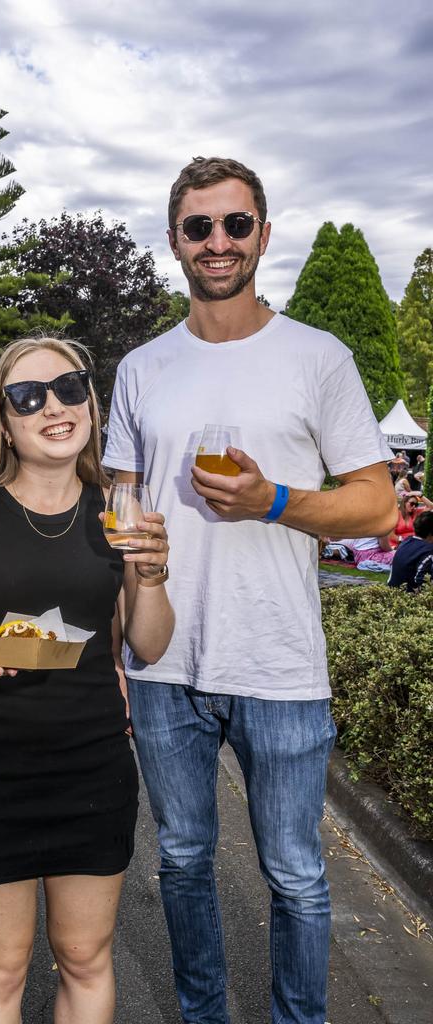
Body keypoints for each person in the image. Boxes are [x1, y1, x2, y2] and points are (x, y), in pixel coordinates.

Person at [104, 156, 397, 1024]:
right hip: (164, 662)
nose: (218, 242)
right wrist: (122, 616)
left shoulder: (318, 356)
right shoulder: (143, 367)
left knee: (297, 874)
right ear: (175, 243)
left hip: (278, 658)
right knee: (184, 860)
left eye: (237, 224)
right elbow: (118, 501)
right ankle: (204, 1016)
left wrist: (275, 500)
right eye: (200, 227)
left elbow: (379, 505)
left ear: (263, 235)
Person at [0, 336, 174, 1024]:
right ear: (3, 421)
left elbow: (148, 644)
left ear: (91, 401)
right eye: (27, 397)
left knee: (87, 958)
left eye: (69, 387)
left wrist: (150, 577)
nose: (53, 407)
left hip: (92, 766)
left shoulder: (117, 508)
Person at [388, 511, 433, 590]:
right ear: (430, 534)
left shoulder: (406, 541)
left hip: (392, 591)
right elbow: (423, 582)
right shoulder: (429, 550)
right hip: (410, 597)